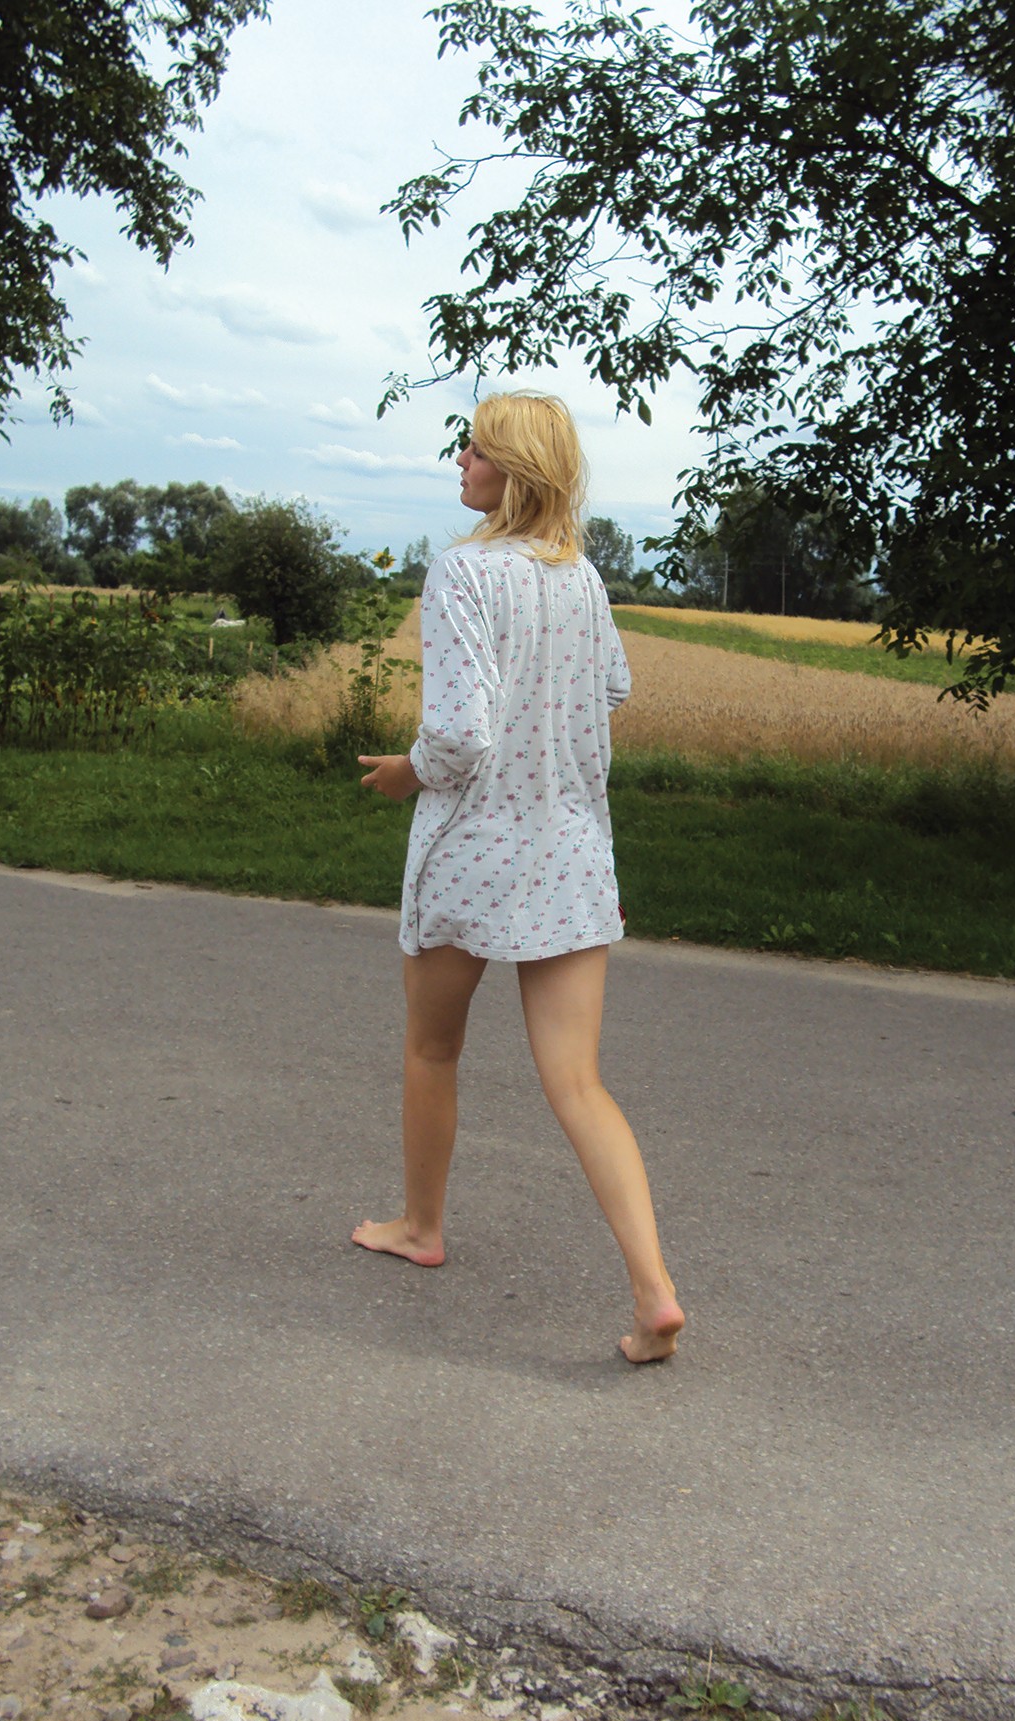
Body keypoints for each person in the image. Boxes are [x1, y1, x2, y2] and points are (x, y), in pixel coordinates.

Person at [353, 391, 684, 1363]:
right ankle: (654, 1292)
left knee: (432, 1047)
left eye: (476, 450)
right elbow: (613, 684)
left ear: (514, 470)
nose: (460, 462)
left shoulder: (461, 570)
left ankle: (421, 1226)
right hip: (570, 854)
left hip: (472, 851)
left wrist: (404, 770)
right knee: (578, 1081)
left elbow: (459, 735)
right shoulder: (579, 574)